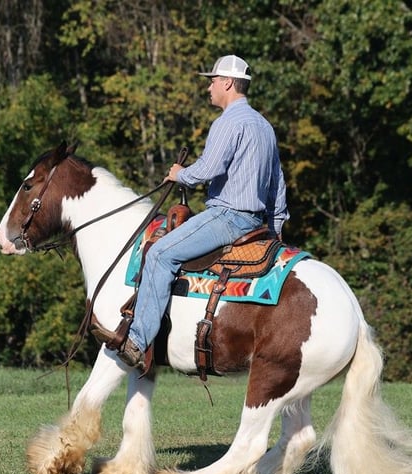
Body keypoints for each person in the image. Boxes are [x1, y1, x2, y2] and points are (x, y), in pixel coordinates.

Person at [92, 54, 289, 370]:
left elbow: (207, 170)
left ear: (227, 83)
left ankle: (137, 341)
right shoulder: (264, 126)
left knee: (158, 254)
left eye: (212, 81)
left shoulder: (228, 122)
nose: (209, 87)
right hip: (256, 222)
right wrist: (276, 226)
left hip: (228, 217)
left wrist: (178, 174)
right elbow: (277, 184)